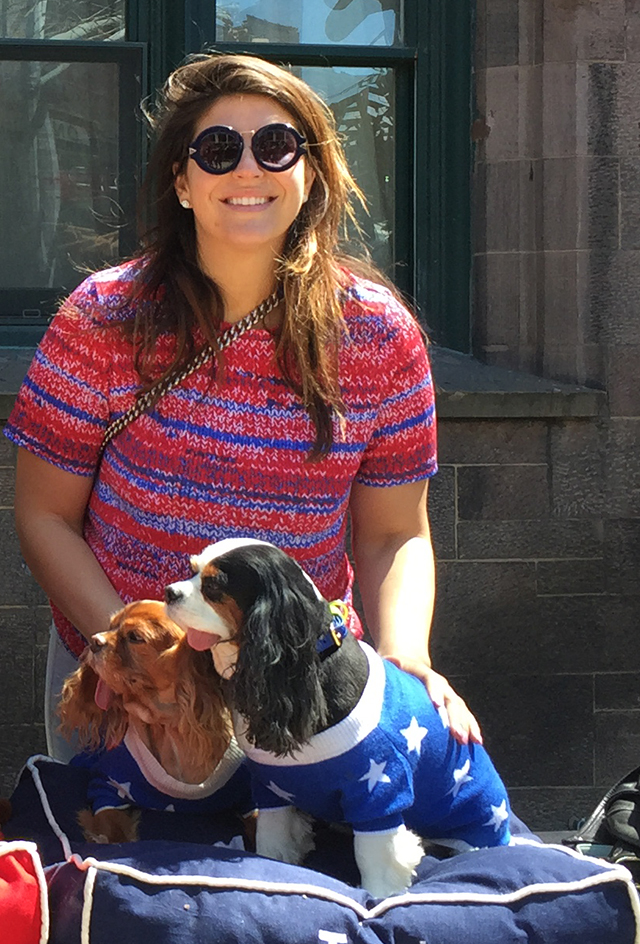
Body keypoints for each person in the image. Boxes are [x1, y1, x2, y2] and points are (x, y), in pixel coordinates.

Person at [5, 52, 481, 762]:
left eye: (277, 146)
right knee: (119, 869)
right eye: (219, 150)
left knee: (296, 872)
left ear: (310, 173)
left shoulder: (379, 335)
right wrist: (141, 655)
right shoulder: (103, 316)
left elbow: (392, 536)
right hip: (130, 693)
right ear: (183, 181)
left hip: (299, 687)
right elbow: (45, 514)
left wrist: (407, 653)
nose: (248, 169)